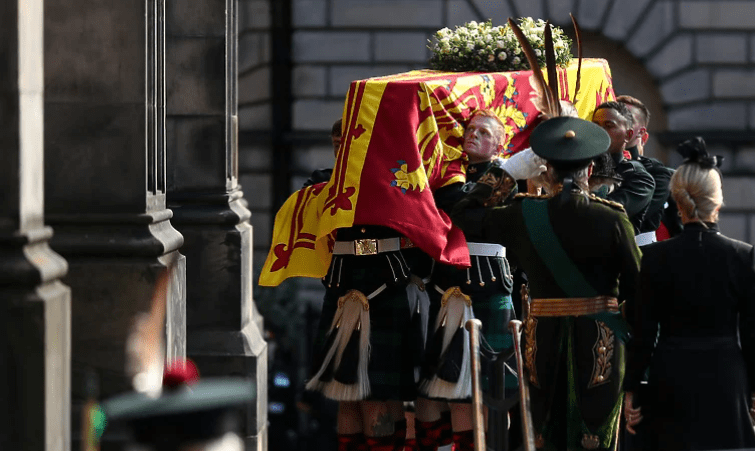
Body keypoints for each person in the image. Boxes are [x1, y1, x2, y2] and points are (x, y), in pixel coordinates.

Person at [451, 117, 641, 450]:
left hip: (543, 342)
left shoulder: (522, 214)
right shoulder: (612, 217)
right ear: (591, 167)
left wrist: (508, 172)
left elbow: (464, 214)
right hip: (601, 345)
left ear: (545, 169)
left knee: (543, 436)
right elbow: (640, 293)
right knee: (593, 438)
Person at [415, 110, 543, 451]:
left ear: (500, 142)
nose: (473, 135)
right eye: (470, 129)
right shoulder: (446, 179)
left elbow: (495, 220)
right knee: (453, 386)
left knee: (496, 387)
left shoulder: (515, 178)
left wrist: (505, 175)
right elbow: (455, 210)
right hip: (450, 287)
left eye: (484, 132)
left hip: (490, 284)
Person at [623, 137, 755, 451]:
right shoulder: (742, 255)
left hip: (671, 374)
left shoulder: (654, 258)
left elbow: (643, 333)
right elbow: (751, 334)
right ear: (717, 201)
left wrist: (631, 389)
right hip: (726, 375)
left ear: (678, 202)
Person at [616, 95, 677, 243]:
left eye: (628, 119)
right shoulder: (595, 165)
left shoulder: (658, 174)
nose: (620, 122)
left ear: (642, 134)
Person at [591, 102, 655, 236]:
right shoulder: (582, 166)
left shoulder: (639, 178)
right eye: (595, 125)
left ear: (628, 135)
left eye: (609, 126)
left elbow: (604, 213)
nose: (600, 131)